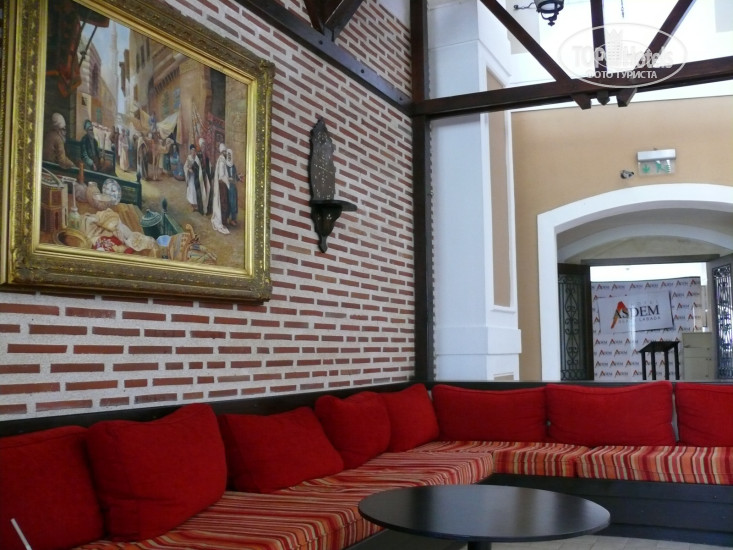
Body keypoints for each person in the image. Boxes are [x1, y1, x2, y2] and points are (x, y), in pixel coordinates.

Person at [210, 142, 230, 235]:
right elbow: (221, 176)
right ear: (222, 152)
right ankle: (222, 221)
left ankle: (224, 220)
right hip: (222, 185)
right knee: (223, 203)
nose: (225, 153)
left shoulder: (221, 160)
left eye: (225, 151)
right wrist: (228, 181)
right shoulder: (221, 161)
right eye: (224, 152)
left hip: (222, 184)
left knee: (223, 203)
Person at [184, 144, 204, 214]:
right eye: (192, 150)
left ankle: (196, 204)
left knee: (196, 190)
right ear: (190, 151)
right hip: (191, 176)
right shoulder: (189, 158)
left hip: (196, 176)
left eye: (194, 150)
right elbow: (185, 166)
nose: (193, 151)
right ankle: (192, 205)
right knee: (192, 189)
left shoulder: (196, 158)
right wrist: (189, 170)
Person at [224, 148, 240, 227]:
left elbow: (235, 176)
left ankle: (233, 219)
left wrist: (239, 177)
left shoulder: (233, 166)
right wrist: (228, 179)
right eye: (228, 155)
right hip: (227, 186)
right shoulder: (225, 165)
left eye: (230, 155)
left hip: (233, 187)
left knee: (234, 203)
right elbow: (223, 176)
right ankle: (227, 218)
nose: (229, 157)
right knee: (228, 202)